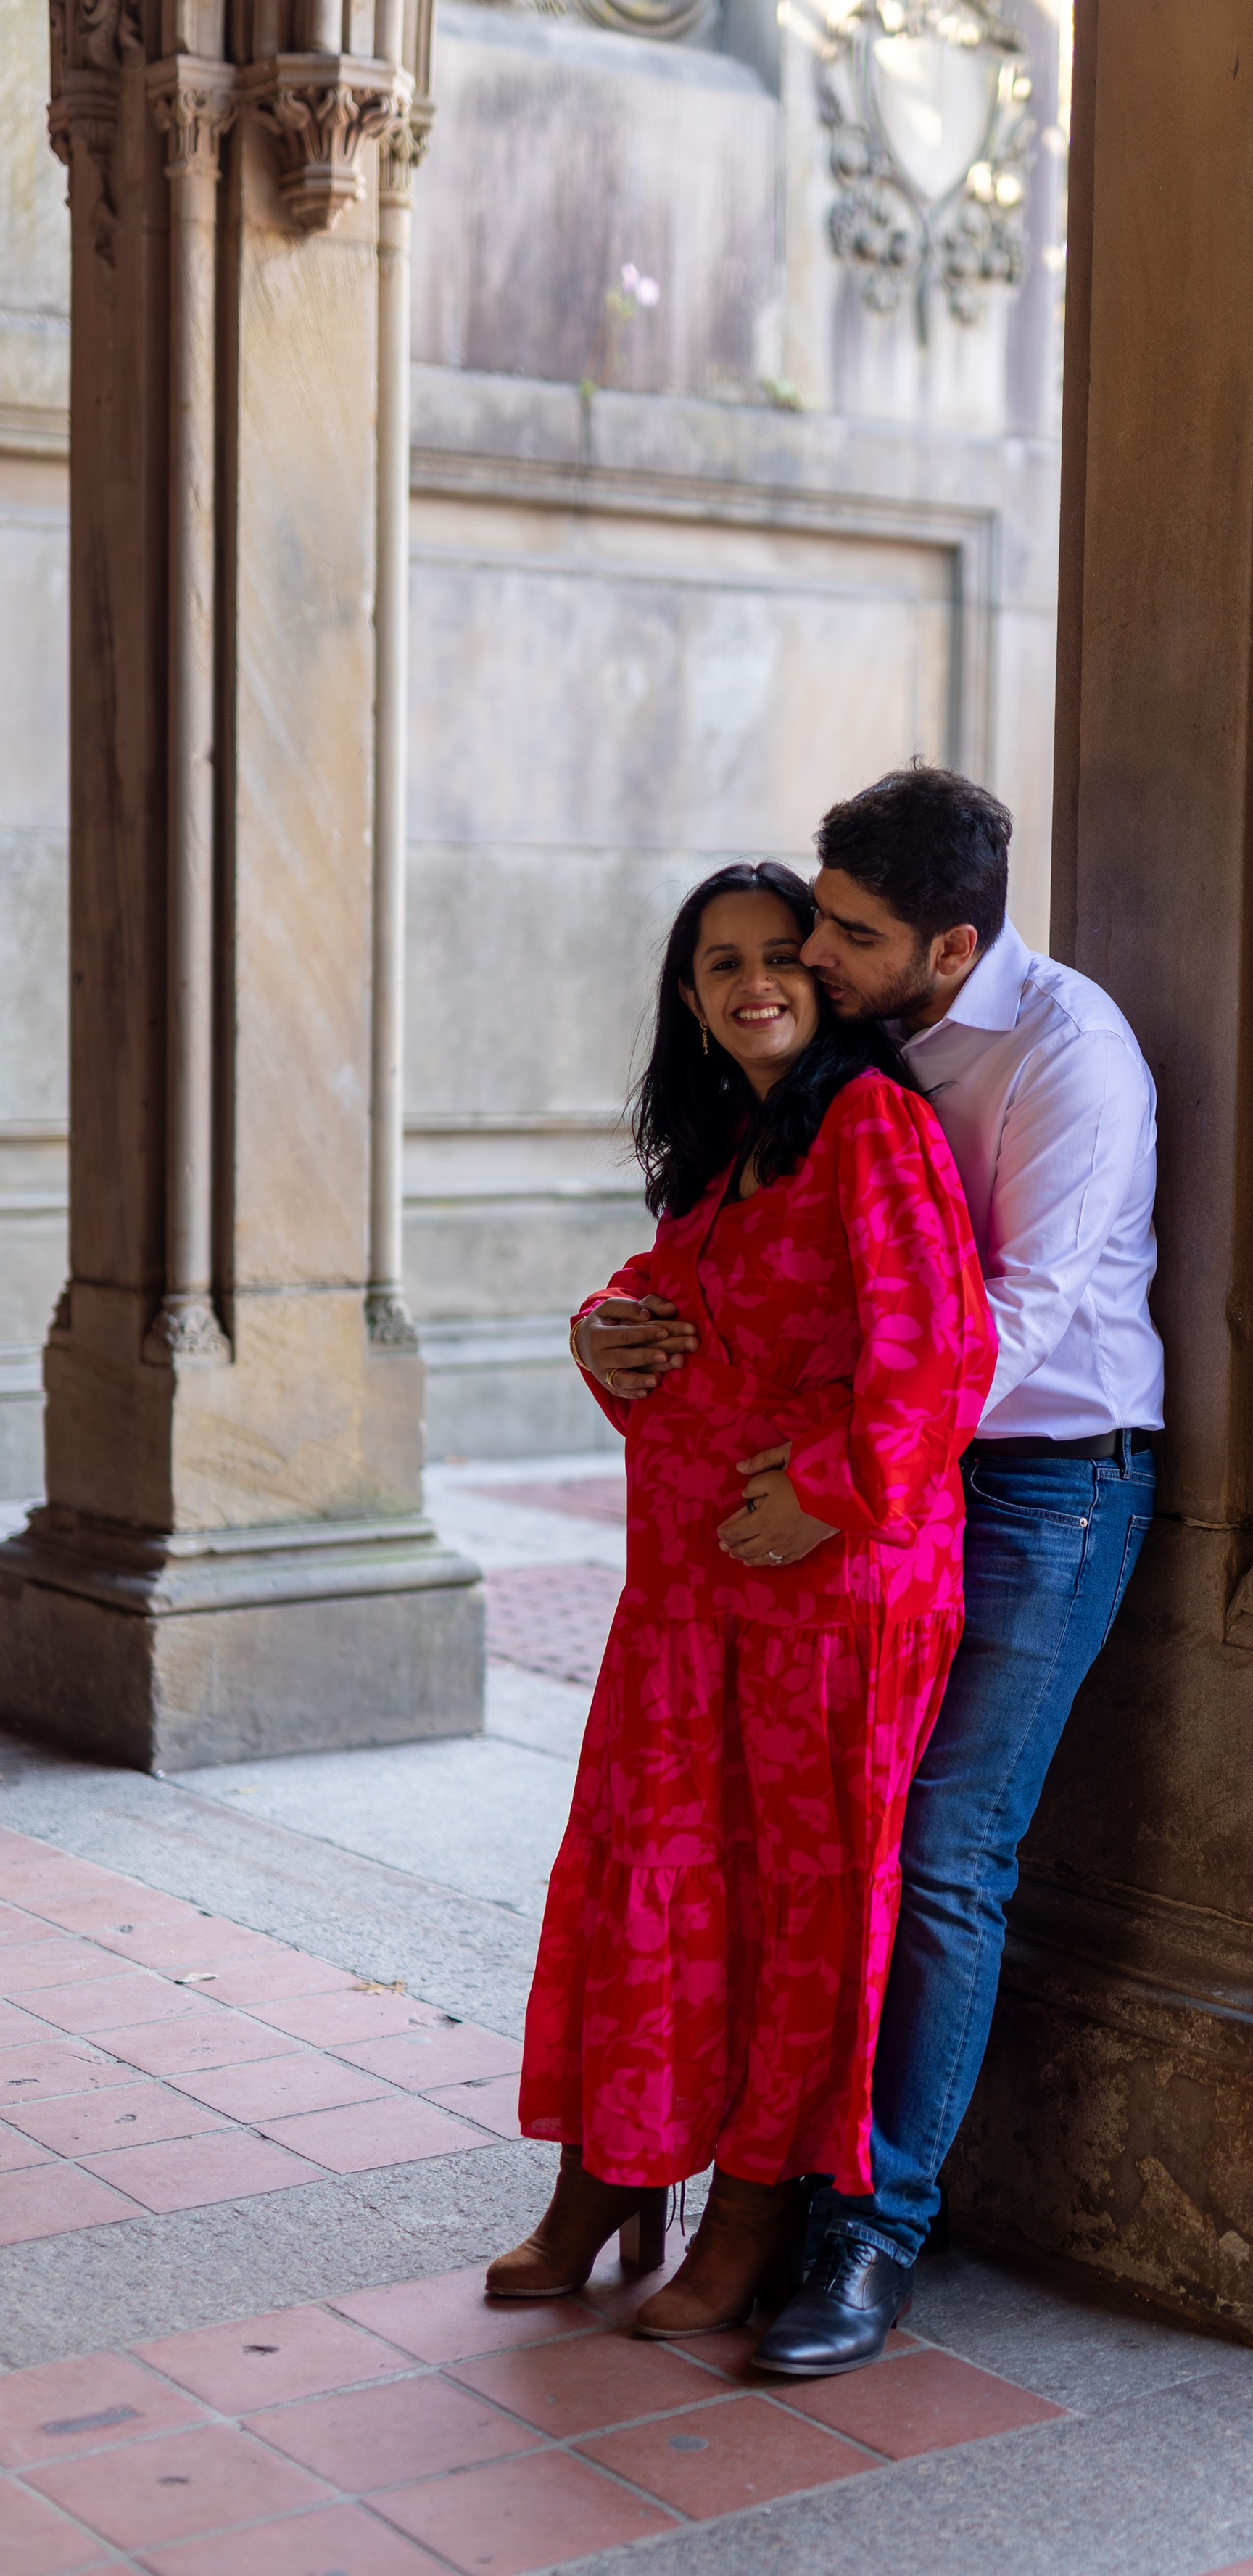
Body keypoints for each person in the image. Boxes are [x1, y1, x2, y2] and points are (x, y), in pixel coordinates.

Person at [592, 767, 1164, 2375]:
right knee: (816, 1841)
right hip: (906, 1487)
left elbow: (1026, 1306)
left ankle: (868, 2237)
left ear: (952, 942)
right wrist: (611, 1332)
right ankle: (711, 2177)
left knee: (939, 1857)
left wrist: (851, 1482)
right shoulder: (852, 1055)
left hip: (1048, 1482)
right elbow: (745, 1261)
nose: (813, 956)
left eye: (848, 933)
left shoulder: (1068, 1055)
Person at [486, 859, 995, 2337]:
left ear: (827, 979)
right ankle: (610, 2167)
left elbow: (942, 1361)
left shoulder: (869, 1129)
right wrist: (597, 1324)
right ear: (689, 998)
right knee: (645, 1877)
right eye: (719, 964)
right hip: (689, 1600)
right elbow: (660, 1295)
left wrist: (819, 1492)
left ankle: (754, 2206)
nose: (754, 981)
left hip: (830, 1602)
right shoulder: (733, 1150)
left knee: (792, 1909)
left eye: (783, 954)